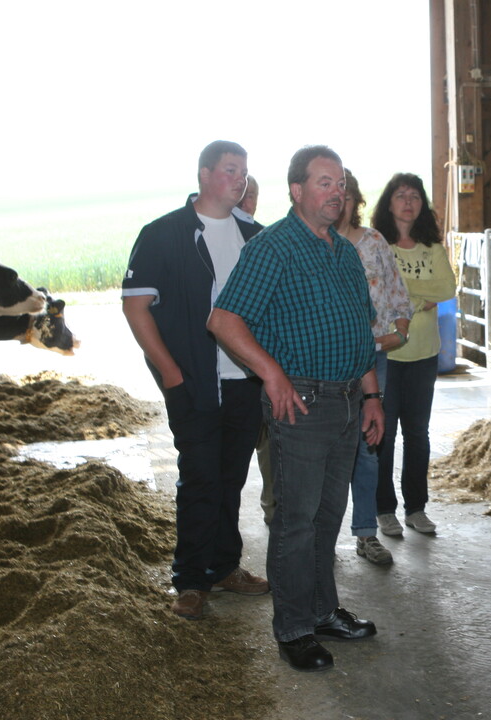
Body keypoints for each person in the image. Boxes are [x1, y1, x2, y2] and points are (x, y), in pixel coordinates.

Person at [207, 145, 382, 673]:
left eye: (341, 184)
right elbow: (224, 320)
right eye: (324, 183)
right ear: (297, 190)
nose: (337, 192)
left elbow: (362, 330)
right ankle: (294, 628)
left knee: (328, 517)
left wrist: (371, 394)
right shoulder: (274, 247)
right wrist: (273, 374)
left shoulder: (345, 251)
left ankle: (323, 611)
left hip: (349, 399)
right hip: (302, 402)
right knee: (296, 522)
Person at [122, 140, 269, 621]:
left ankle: (225, 567)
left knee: (232, 478)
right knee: (200, 477)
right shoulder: (165, 234)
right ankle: (189, 580)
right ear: (204, 174)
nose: (239, 179)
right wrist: (170, 372)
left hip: (245, 381)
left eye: (244, 172)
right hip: (194, 381)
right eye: (230, 170)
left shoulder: (256, 236)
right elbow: (135, 306)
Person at [370, 172, 456, 537]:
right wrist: (420, 297)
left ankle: (416, 508)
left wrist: (406, 294)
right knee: (384, 435)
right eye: (401, 195)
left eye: (415, 196)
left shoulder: (432, 248)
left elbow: (447, 287)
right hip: (387, 354)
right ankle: (383, 509)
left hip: (423, 353)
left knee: (418, 434)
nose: (408, 201)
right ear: (389, 203)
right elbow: (382, 290)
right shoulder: (378, 246)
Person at [339, 168, 414, 563]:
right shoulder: (315, 244)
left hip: (375, 357)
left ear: (356, 200)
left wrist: (400, 332)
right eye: (332, 192)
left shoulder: (373, 242)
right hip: (327, 363)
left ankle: (366, 533)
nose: (340, 201)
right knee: (327, 447)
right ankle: (319, 536)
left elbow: (398, 295)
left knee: (369, 446)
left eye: (346, 194)